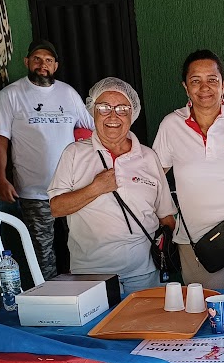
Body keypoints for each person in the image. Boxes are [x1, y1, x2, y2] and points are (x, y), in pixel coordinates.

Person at [153, 50, 224, 290]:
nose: (204, 87)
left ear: (223, 84)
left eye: (212, 79)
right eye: (195, 80)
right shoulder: (171, 125)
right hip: (195, 238)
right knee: (207, 310)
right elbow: (154, 178)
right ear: (186, 87)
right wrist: (166, 213)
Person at [48, 78, 176, 296]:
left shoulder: (148, 157)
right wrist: (95, 188)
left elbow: (166, 218)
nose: (113, 116)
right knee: (99, 330)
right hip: (91, 276)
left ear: (132, 114)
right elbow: (56, 208)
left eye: (122, 108)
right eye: (104, 107)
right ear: (93, 111)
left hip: (144, 274)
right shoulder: (74, 153)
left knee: (144, 329)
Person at [0, 40, 93, 280]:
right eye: (37, 59)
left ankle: (88, 297)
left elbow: (93, 128)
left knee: (85, 247)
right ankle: (51, 304)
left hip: (73, 189)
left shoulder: (68, 93)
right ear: (27, 62)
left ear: (55, 65)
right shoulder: (10, 95)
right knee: (42, 254)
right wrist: (0, 178)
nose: (42, 64)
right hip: (34, 191)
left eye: (48, 60)